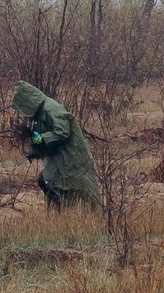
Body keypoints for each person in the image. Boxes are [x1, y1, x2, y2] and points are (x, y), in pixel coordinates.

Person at [11, 80, 100, 208]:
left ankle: (98, 215)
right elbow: (47, 139)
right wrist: (36, 151)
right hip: (57, 157)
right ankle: (59, 210)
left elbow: (62, 131)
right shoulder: (39, 113)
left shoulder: (51, 108)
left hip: (72, 156)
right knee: (46, 181)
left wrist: (42, 138)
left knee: (84, 190)